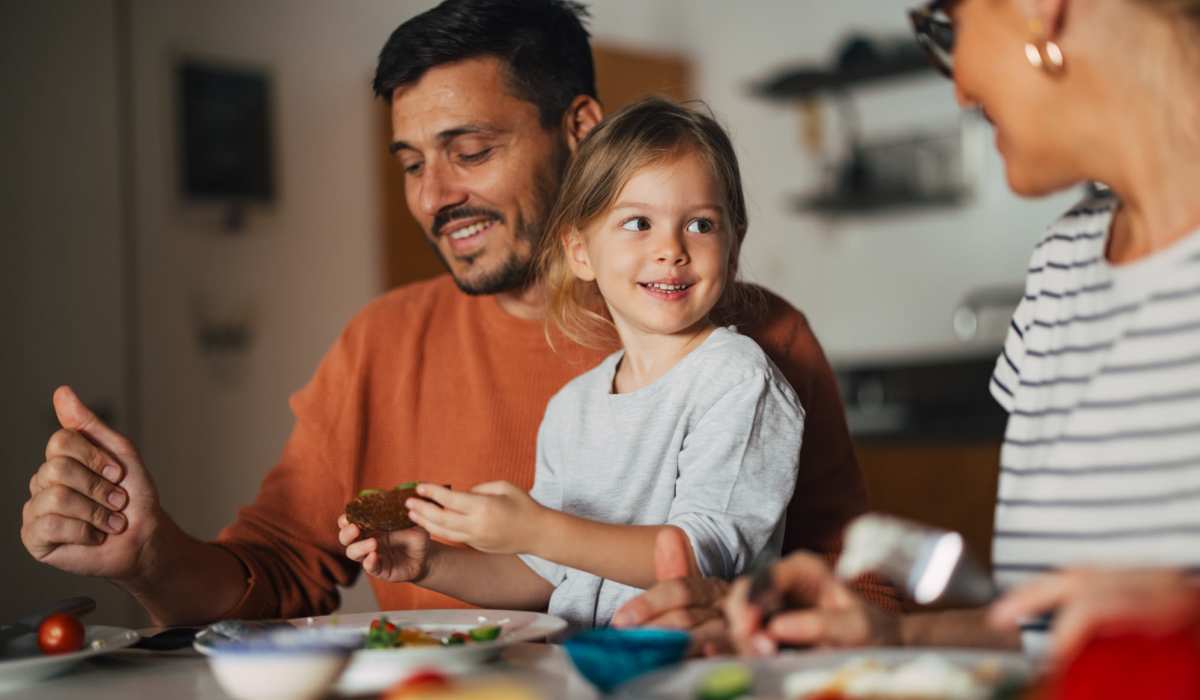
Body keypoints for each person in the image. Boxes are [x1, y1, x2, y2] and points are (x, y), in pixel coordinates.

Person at [20, 0, 883, 626]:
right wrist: (148, 554)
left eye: (471, 150)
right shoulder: (382, 346)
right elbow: (275, 573)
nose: (435, 196)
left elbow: (861, 588)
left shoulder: (757, 341)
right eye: (409, 164)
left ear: (580, 128)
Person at [720, 0, 1200, 661]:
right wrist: (893, 633)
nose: (961, 88)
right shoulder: (1064, 264)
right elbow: (1045, 633)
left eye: (949, 29)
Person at [338, 98, 803, 630]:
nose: (671, 248)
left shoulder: (737, 377)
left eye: (700, 225)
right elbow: (549, 574)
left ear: (734, 242)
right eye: (638, 223)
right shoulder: (572, 406)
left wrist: (537, 529)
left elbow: (703, 557)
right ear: (580, 252)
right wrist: (432, 563)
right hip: (584, 672)